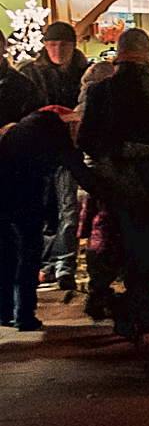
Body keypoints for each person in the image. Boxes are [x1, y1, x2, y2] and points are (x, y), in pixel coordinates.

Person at [76, 29, 149, 336]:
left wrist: (110, 160)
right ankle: (142, 307)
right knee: (147, 250)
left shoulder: (100, 92)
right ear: (147, 53)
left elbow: (85, 139)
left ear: (118, 54)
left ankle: (119, 305)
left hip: (113, 183)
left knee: (112, 244)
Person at [1, 109, 86, 332]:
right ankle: (24, 315)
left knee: (7, 253)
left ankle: (4, 311)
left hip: (3, 195)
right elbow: (77, 168)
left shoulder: (17, 131)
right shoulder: (53, 132)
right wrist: (107, 191)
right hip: (25, 197)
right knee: (29, 254)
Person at [23, 20, 88, 294]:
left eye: (64, 45)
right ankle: (47, 262)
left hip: (69, 150)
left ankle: (65, 264)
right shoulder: (30, 75)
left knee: (69, 210)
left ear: (73, 46)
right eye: (53, 45)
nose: (58, 50)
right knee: (44, 210)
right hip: (38, 151)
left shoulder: (84, 74)